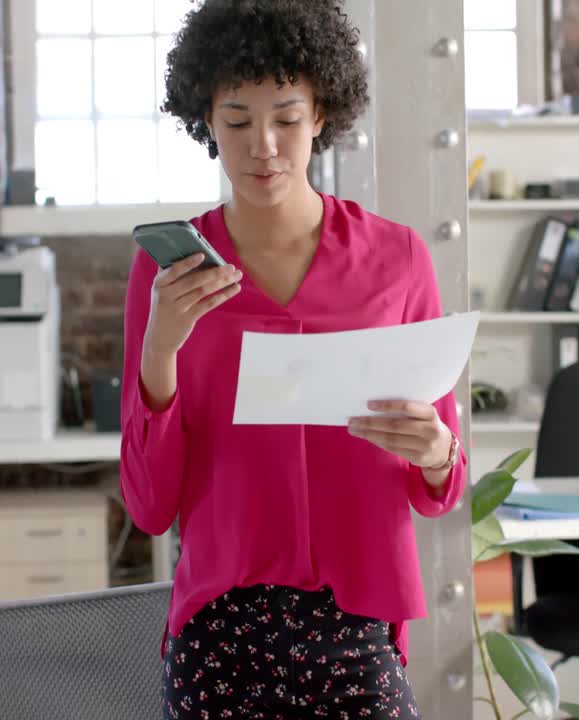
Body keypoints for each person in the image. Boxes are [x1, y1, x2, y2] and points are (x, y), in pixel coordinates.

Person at [120, 1, 465, 717]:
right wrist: (161, 350)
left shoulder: (399, 259)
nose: (263, 146)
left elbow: (441, 486)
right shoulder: (171, 272)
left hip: (355, 624)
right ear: (205, 122)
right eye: (237, 120)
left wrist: (437, 451)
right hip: (218, 629)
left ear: (322, 114)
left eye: (285, 117)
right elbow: (149, 508)